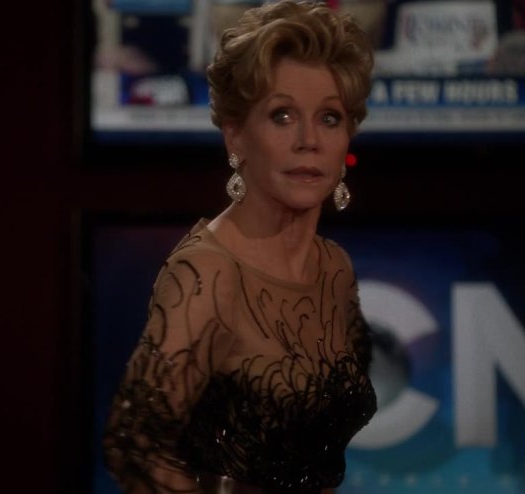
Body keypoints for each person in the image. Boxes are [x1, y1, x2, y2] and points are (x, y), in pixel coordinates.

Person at [102, 1, 377, 493]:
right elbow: (136, 447)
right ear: (236, 137)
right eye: (282, 115)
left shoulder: (335, 268)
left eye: (330, 117)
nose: (309, 140)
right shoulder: (208, 275)